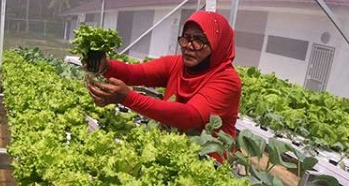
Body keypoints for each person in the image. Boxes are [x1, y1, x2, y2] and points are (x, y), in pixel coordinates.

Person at [86, 11, 241, 154]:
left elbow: (190, 116)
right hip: (173, 150)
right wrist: (106, 66)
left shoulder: (227, 80)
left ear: (218, 45)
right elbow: (136, 73)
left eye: (199, 40)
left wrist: (128, 98)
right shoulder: (177, 64)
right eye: (186, 38)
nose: (188, 46)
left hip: (207, 160)